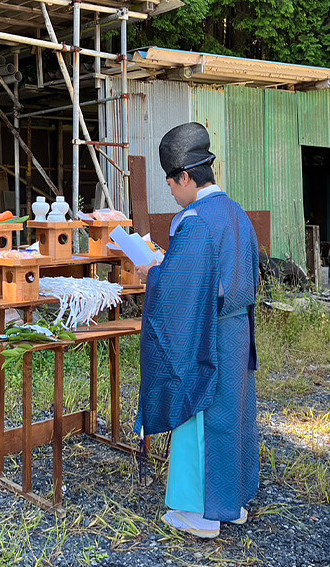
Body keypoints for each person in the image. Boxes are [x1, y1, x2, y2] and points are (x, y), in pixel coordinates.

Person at [135, 122, 261, 539]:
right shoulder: (236, 213)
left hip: (207, 335)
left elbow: (181, 290)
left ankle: (200, 513)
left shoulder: (196, 222)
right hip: (237, 330)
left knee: (201, 415)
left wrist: (153, 273)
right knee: (233, 416)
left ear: (185, 177)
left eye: (171, 183)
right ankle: (232, 502)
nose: (171, 192)